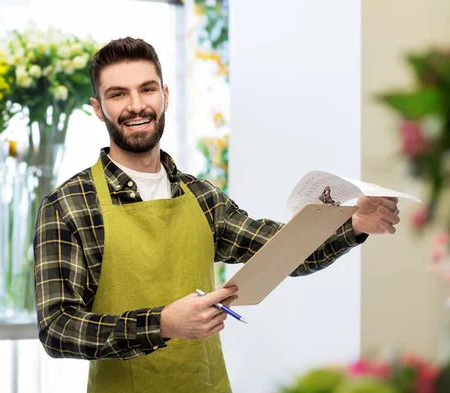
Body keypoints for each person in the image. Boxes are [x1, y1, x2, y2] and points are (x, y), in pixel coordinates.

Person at [33, 37, 401, 393]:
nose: (136, 105)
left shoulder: (201, 197)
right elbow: (57, 327)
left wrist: (353, 224)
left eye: (147, 89)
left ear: (165, 95)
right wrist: (162, 324)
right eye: (118, 94)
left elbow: (280, 251)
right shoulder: (68, 206)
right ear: (98, 108)